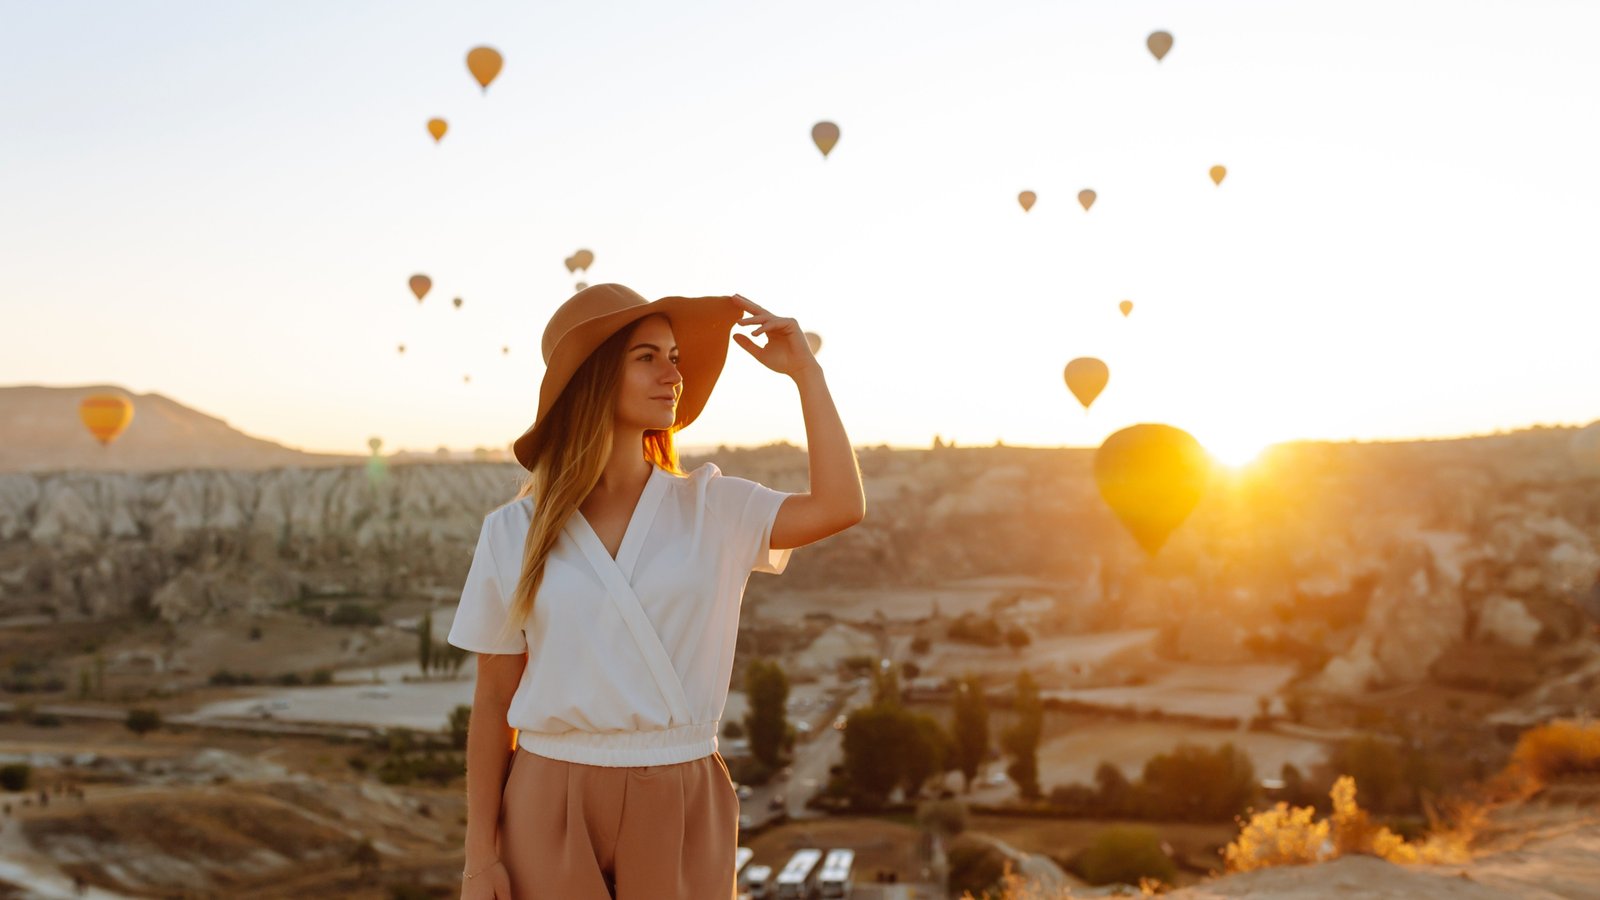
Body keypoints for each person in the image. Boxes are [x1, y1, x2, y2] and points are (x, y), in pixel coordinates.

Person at [448, 284, 865, 899]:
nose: (675, 373)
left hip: (682, 791)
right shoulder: (513, 531)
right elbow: (492, 702)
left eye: (674, 355)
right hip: (545, 794)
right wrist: (479, 858)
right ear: (593, 377)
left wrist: (807, 374)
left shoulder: (715, 506)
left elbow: (840, 505)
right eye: (649, 356)